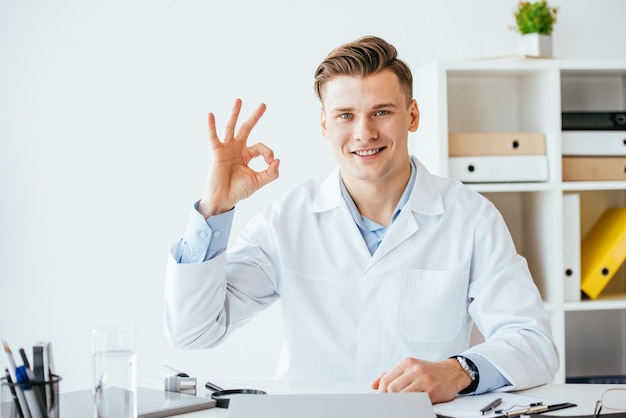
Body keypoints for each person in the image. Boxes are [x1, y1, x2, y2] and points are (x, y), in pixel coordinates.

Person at [164, 35, 559, 403]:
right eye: (345, 115)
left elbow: (534, 343)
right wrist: (214, 207)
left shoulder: (470, 217)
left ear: (413, 114)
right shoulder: (288, 220)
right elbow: (194, 330)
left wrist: (458, 371)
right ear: (324, 124)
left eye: (381, 112)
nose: (364, 132)